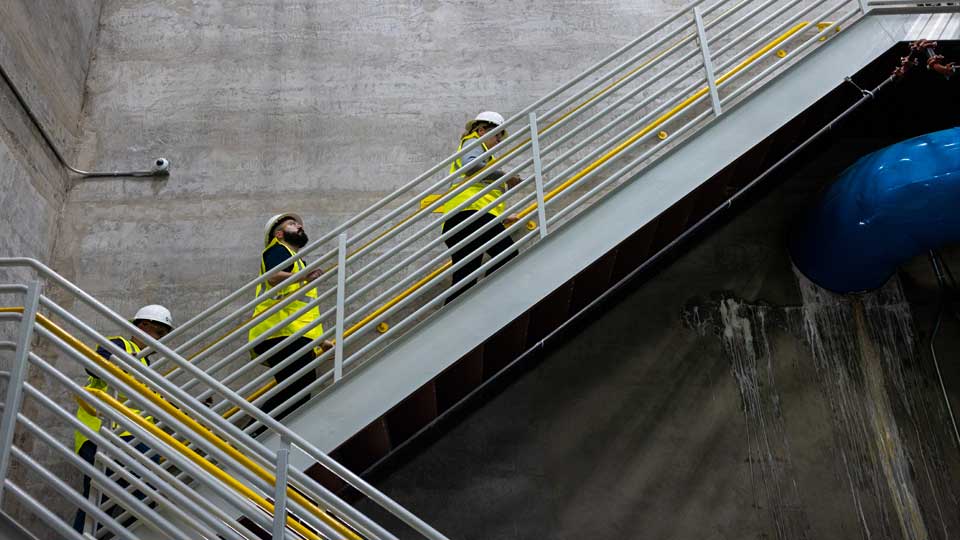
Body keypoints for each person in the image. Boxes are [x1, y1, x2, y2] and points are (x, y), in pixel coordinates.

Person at [73, 304, 173, 534]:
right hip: (106, 434)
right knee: (141, 492)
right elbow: (96, 366)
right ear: (143, 326)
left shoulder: (146, 364)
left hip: (124, 435)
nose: (161, 341)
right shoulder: (120, 345)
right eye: (159, 333)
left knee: (99, 503)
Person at [248, 213, 333, 424]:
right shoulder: (277, 250)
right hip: (278, 332)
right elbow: (274, 278)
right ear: (279, 234)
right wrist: (304, 276)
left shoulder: (297, 263)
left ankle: (260, 433)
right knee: (296, 389)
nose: (299, 226)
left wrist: (320, 342)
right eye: (292, 224)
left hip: (288, 333)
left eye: (299, 224)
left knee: (298, 391)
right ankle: (251, 434)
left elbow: (298, 311)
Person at [440, 111, 521, 304]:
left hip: (464, 217)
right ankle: (484, 302)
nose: (499, 141)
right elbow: (471, 167)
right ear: (482, 130)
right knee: (508, 254)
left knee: (465, 277)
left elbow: (480, 189)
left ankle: (450, 320)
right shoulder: (474, 143)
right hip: (472, 216)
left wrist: (500, 218)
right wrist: (506, 177)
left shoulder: (483, 153)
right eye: (497, 135)